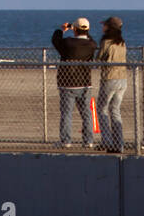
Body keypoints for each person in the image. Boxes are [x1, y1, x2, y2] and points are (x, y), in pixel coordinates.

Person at [51, 17, 96, 148]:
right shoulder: (91, 45)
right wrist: (81, 29)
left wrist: (62, 30)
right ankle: (88, 141)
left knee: (66, 113)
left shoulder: (68, 43)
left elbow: (55, 40)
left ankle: (66, 141)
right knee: (86, 113)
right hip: (85, 82)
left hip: (67, 82)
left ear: (75, 30)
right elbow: (92, 40)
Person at [97, 16, 127, 153]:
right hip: (122, 79)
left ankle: (107, 141)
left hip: (109, 78)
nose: (103, 27)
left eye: (105, 25)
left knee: (102, 109)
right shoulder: (122, 42)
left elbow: (99, 58)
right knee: (115, 110)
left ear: (109, 27)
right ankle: (118, 143)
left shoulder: (106, 42)